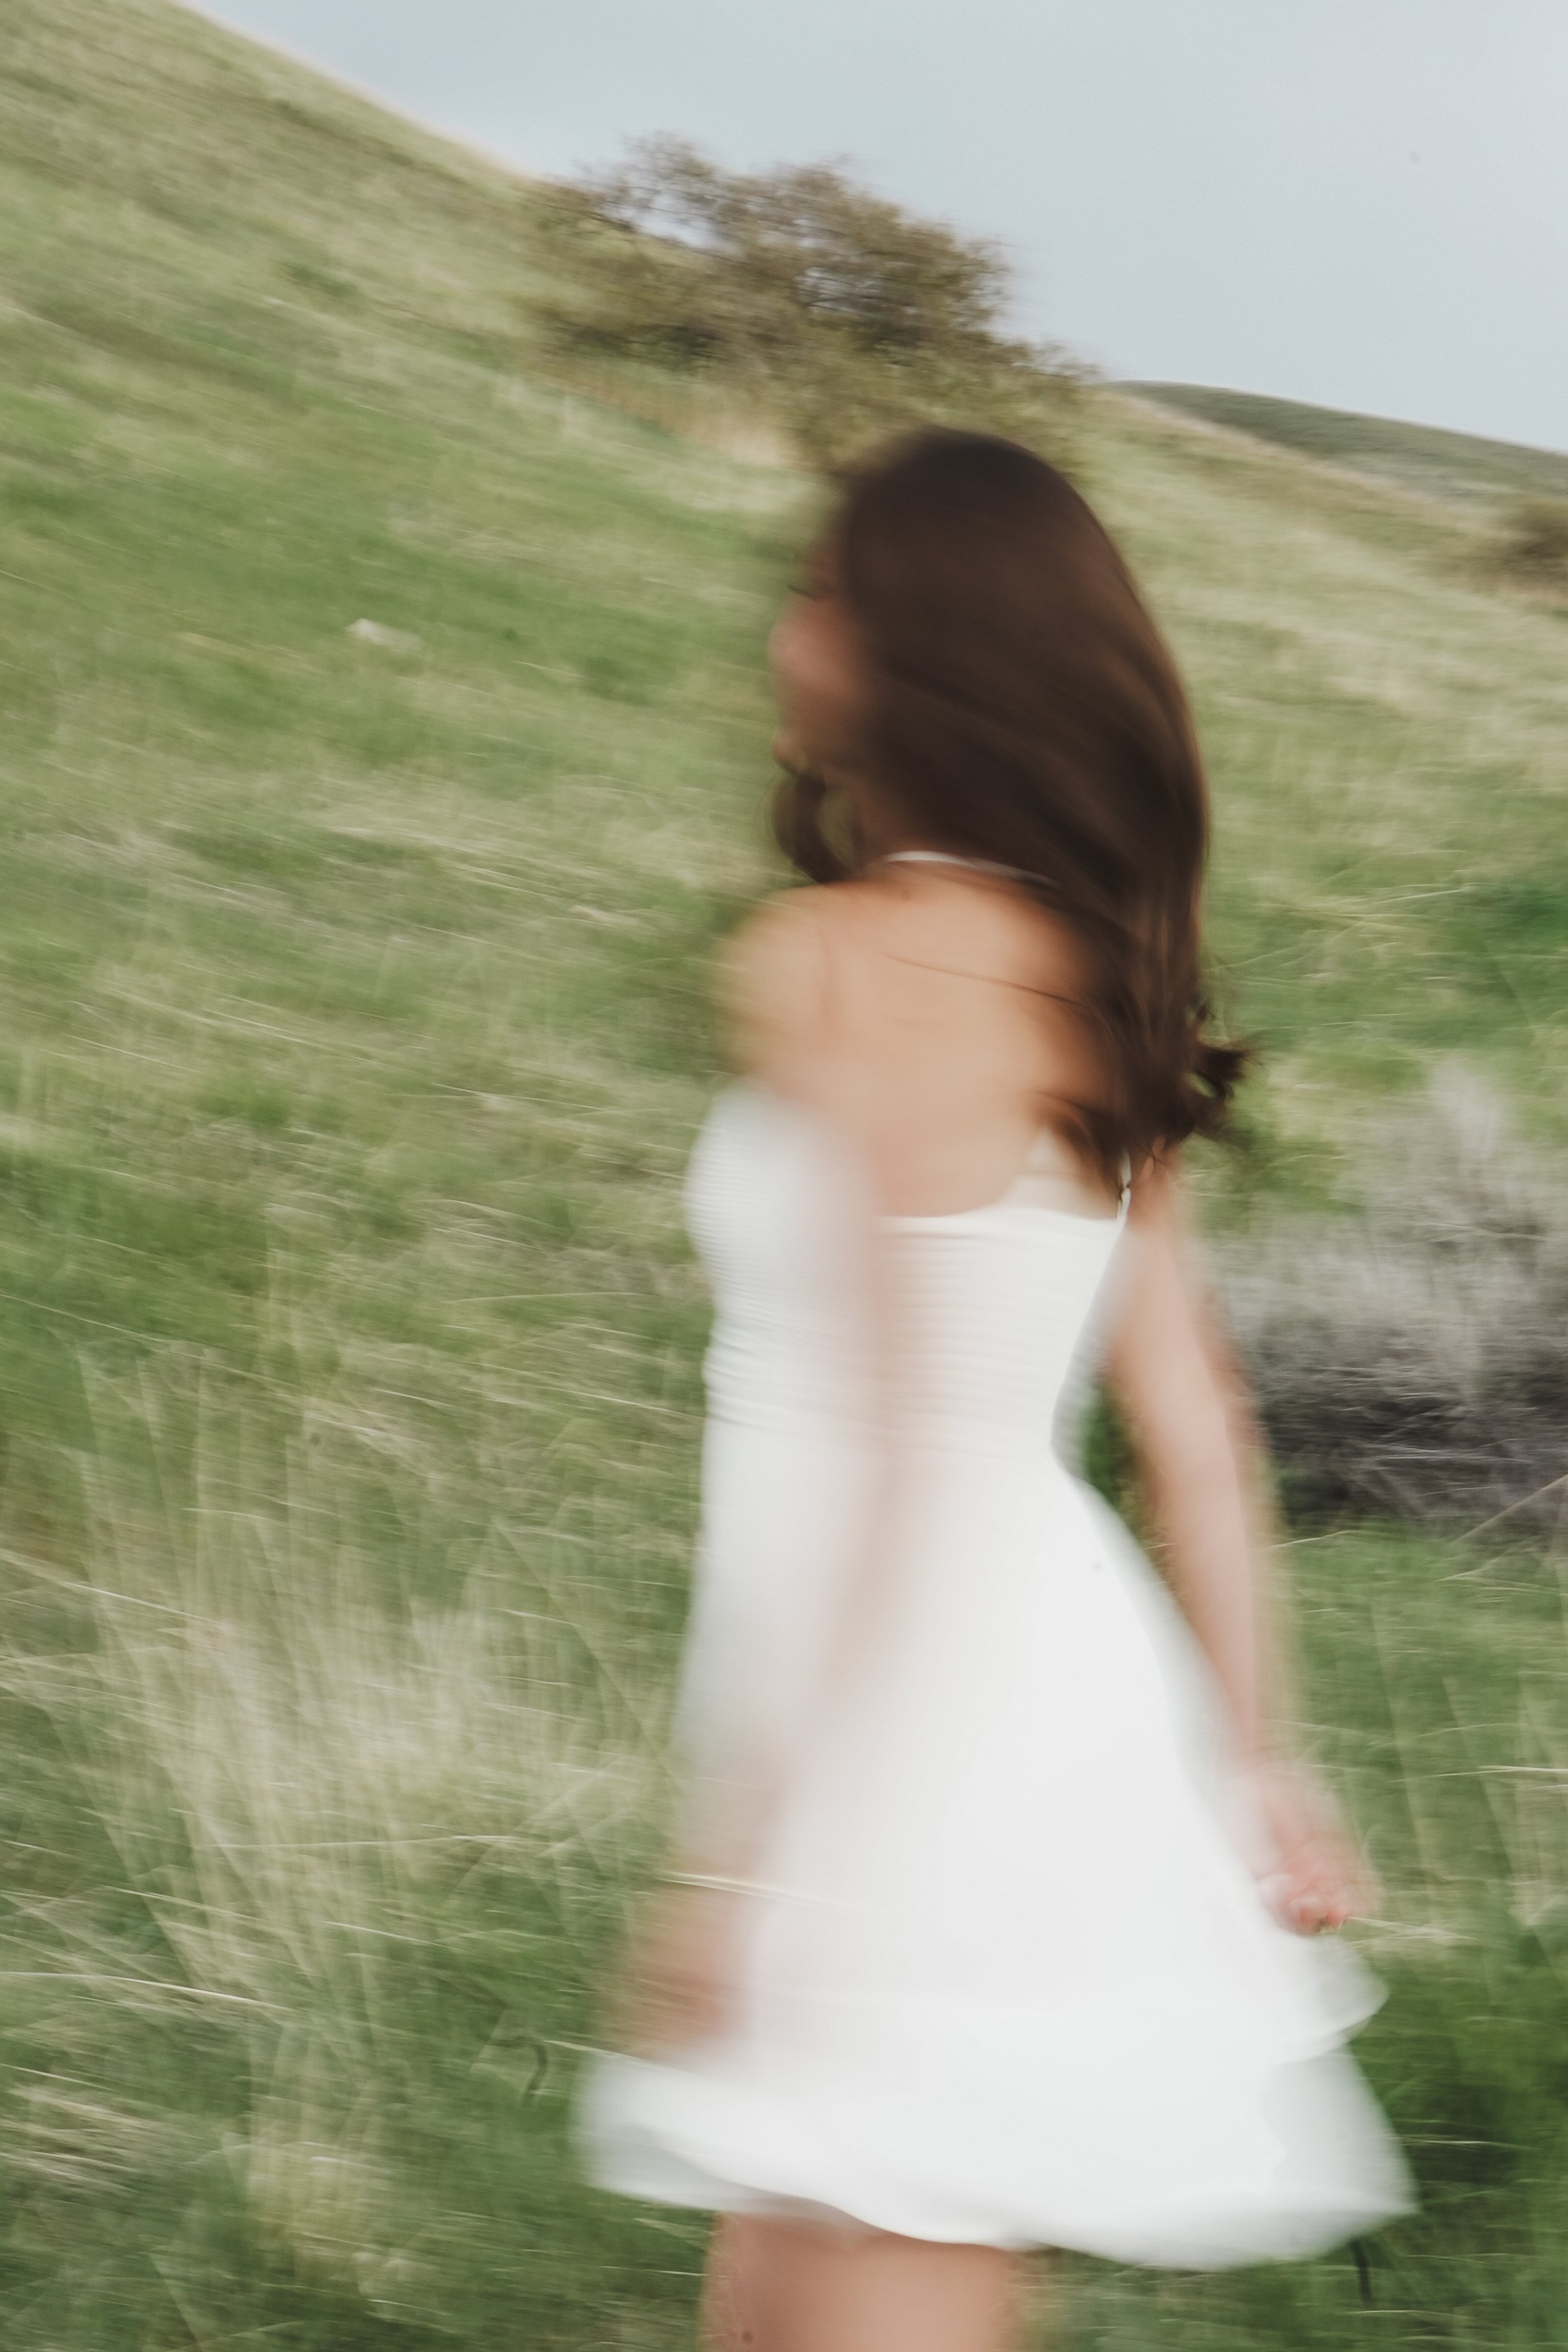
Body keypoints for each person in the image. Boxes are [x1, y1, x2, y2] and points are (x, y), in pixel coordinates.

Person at [578, 428, 1412, 2351]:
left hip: (910, 1738)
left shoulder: (832, 964)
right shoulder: (1093, 983)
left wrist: (736, 1860)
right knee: (801, 2286)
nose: (782, 632)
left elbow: (885, 1463)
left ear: (906, 651)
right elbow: (1194, 1435)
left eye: (817, 592)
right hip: (1040, 1692)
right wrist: (1259, 1761)